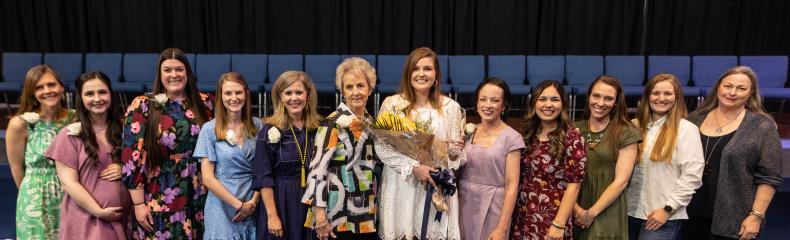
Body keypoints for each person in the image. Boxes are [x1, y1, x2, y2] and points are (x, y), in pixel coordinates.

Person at [121, 48, 214, 239]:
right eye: (168, 70)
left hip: (200, 192)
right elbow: (132, 157)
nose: (174, 75)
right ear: (159, 74)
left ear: (188, 72)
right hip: (161, 192)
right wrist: (138, 204)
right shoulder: (143, 105)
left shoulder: (205, 103)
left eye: (179, 69)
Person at [681, 66, 783, 240]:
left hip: (734, 219)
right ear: (718, 87)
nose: (732, 92)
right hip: (688, 214)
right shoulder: (695, 119)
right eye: (728, 86)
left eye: (741, 88)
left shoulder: (762, 126)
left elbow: (769, 177)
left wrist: (756, 216)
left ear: (750, 93)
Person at [376, 47, 466, 240]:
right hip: (402, 184)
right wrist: (414, 167)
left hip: (435, 185)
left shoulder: (451, 108)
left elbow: (454, 157)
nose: (421, 74)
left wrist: (454, 150)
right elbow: (381, 147)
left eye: (428, 69)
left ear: (436, 75)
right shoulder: (392, 104)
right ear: (408, 73)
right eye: (416, 69)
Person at [46, 71, 132, 239]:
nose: (97, 98)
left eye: (102, 92)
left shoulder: (126, 130)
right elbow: (69, 182)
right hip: (88, 220)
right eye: (89, 94)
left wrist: (125, 168)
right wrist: (98, 211)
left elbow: (142, 165)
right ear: (81, 99)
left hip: (124, 220)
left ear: (111, 94)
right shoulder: (69, 135)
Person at [302, 57, 380, 239]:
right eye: (349, 87)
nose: (355, 92)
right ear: (342, 91)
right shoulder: (331, 123)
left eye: (360, 86)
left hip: (365, 214)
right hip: (337, 215)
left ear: (370, 88)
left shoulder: (371, 122)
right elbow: (316, 172)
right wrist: (320, 218)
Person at [5, 65, 84, 239]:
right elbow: (16, 169)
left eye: (51, 85)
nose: (47, 91)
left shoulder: (76, 118)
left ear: (61, 87)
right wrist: (32, 196)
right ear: (32, 92)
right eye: (39, 87)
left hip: (72, 194)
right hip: (35, 198)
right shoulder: (21, 124)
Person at [627, 74, 704, 240]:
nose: (661, 98)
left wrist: (668, 209)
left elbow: (692, 176)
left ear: (677, 97)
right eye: (655, 93)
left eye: (668, 94)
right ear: (647, 96)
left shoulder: (686, 129)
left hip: (661, 217)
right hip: (628, 213)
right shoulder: (633, 126)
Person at [511, 80, 586, 240]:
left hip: (552, 217)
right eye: (542, 99)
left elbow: (574, 186)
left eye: (554, 99)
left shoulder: (572, 137)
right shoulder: (527, 133)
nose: (548, 104)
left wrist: (559, 224)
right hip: (523, 215)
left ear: (563, 104)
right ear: (534, 103)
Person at [252, 70, 321, 240]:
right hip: (281, 201)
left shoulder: (318, 128)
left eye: (299, 92)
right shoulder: (269, 131)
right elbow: (263, 177)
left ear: (307, 95)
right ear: (280, 97)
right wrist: (272, 216)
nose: (294, 98)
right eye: (288, 93)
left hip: (312, 202)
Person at [194, 72, 262, 239]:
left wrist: (252, 203)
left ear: (246, 94)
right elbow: (208, 178)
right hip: (222, 204)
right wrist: (239, 205)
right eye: (228, 93)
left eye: (238, 92)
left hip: (251, 201)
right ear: (220, 96)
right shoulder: (209, 129)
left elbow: (263, 171)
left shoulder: (258, 125)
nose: (234, 98)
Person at [572, 76, 641, 239]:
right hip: (575, 207)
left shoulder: (626, 131)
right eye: (596, 96)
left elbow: (621, 181)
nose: (601, 103)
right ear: (589, 96)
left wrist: (591, 213)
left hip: (608, 209)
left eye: (608, 98)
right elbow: (563, 176)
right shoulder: (574, 129)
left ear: (616, 102)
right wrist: (576, 210)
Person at [458, 77, 524, 240]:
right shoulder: (466, 131)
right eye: (483, 99)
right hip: (463, 203)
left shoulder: (512, 138)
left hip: (494, 208)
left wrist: (502, 228)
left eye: (495, 100)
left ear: (503, 106)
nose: (488, 105)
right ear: (476, 103)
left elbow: (512, 186)